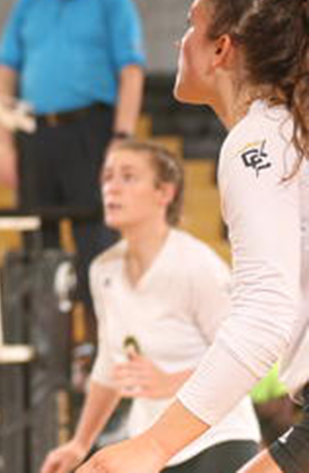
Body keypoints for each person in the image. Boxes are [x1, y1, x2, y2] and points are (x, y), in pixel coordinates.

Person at [80, 0, 309, 473]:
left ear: (221, 49)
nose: (179, 41)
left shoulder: (259, 139)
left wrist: (152, 446)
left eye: (189, 25)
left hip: (219, 437)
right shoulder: (284, 133)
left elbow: (263, 315)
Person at [39, 140, 261, 473]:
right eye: (107, 176)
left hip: (219, 438)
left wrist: (170, 382)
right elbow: (108, 366)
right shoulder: (103, 270)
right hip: (149, 448)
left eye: (128, 177)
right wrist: (80, 443)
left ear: (164, 193)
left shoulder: (198, 265)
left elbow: (247, 360)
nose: (111, 187)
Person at [0, 0, 146, 306]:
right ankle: (47, 355)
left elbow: (131, 72)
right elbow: (5, 72)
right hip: (35, 133)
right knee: (35, 247)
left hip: (90, 132)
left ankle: (100, 354)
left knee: (96, 245)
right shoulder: (29, 0)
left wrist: (122, 138)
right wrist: (2, 142)